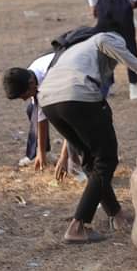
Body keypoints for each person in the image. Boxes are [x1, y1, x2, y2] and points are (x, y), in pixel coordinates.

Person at [4, 32, 137, 244]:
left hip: (49, 102)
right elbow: (107, 42)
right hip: (77, 96)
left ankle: (116, 214)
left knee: (90, 161)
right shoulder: (106, 38)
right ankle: (78, 226)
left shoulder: (74, 52)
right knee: (106, 160)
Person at [10, 52, 85, 182]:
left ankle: (80, 165)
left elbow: (70, 122)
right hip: (65, 78)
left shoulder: (53, 80)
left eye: (24, 96)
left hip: (82, 77)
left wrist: (63, 157)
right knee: (31, 109)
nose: (24, 99)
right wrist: (41, 152)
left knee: (76, 119)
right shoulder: (30, 76)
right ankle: (47, 153)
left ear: (31, 84)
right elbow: (40, 116)